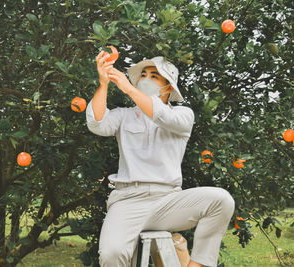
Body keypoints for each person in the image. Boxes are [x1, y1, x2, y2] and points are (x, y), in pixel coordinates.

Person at [85, 51, 235, 267]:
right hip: (127, 200)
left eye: (154, 76)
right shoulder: (124, 115)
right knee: (111, 254)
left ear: (169, 86)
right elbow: (97, 124)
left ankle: (197, 265)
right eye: (143, 75)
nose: (145, 79)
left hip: (167, 201)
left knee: (221, 200)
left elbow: (161, 115)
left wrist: (127, 88)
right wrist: (104, 83)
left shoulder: (183, 114)